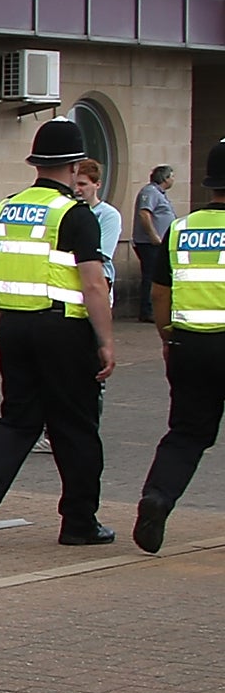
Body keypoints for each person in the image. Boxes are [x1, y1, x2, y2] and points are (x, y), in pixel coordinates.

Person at [0, 120, 115, 549]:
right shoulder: (75, 214)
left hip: (15, 325)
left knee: (17, 418)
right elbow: (93, 283)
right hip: (64, 328)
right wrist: (105, 339)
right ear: (74, 164)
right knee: (76, 425)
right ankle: (79, 521)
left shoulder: (7, 208)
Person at [136, 140, 225, 553]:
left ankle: (157, 498)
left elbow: (159, 293)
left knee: (186, 433)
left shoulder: (182, 229)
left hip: (189, 344)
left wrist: (168, 336)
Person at [79, 159, 125, 318]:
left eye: (83, 184)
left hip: (97, 283)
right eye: (75, 184)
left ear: (97, 185)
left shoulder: (108, 215)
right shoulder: (66, 210)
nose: (77, 190)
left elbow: (102, 254)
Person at [136, 164, 178, 301]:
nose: (173, 179)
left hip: (158, 242)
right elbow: (144, 214)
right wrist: (153, 235)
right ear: (165, 178)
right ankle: (147, 309)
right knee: (151, 275)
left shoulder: (160, 194)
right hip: (150, 243)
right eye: (172, 176)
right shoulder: (150, 192)